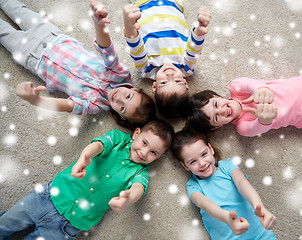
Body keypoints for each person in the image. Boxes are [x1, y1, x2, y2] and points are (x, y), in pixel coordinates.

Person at [0, 118, 175, 239]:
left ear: (158, 157)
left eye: (153, 152)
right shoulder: (117, 139)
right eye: (144, 143)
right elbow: (99, 145)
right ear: (136, 133)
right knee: (5, 224)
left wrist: (127, 198)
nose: (144, 153)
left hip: (69, 224)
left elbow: (138, 188)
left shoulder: (140, 172)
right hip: (48, 197)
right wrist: (85, 156)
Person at [0, 0, 156, 129]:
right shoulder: (120, 75)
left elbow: (68, 105)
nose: (120, 98)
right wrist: (99, 24)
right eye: (128, 96)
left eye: (122, 107)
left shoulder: (96, 105)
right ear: (135, 89)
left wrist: (37, 101)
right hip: (53, 37)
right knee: (16, 8)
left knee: (3, 32)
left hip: (33, 57)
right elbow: (107, 51)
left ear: (120, 116)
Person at [171, 128, 277, 239]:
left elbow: (242, 183)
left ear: (210, 149)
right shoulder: (193, 186)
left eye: (204, 154)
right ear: (185, 166)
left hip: (261, 235)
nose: (202, 163)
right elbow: (205, 204)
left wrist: (259, 207)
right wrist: (226, 217)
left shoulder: (227, 166)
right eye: (193, 161)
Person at [187, 71, 302, 137]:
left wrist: (260, 90)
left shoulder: (236, 87)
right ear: (217, 127)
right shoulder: (243, 128)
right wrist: (263, 119)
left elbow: (252, 84)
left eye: (216, 104)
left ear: (215, 95)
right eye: (216, 117)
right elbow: (260, 126)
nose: (222, 111)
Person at [122, 0, 211, 118]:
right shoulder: (186, 67)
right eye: (177, 81)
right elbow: (194, 49)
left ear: (154, 86)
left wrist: (129, 27)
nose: (170, 74)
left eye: (163, 82)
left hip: (144, 6)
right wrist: (200, 30)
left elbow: (135, 49)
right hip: (172, 5)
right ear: (185, 83)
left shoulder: (147, 69)